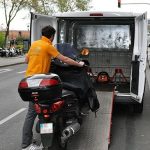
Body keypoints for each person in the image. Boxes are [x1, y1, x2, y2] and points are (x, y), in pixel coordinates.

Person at [22, 25, 84, 150]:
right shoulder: (48, 46)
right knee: (45, 113)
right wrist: (79, 64)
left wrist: (41, 60)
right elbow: (64, 58)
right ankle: (47, 142)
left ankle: (26, 144)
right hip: (40, 83)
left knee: (31, 113)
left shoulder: (34, 44)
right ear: (51, 36)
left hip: (28, 82)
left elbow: (26, 60)